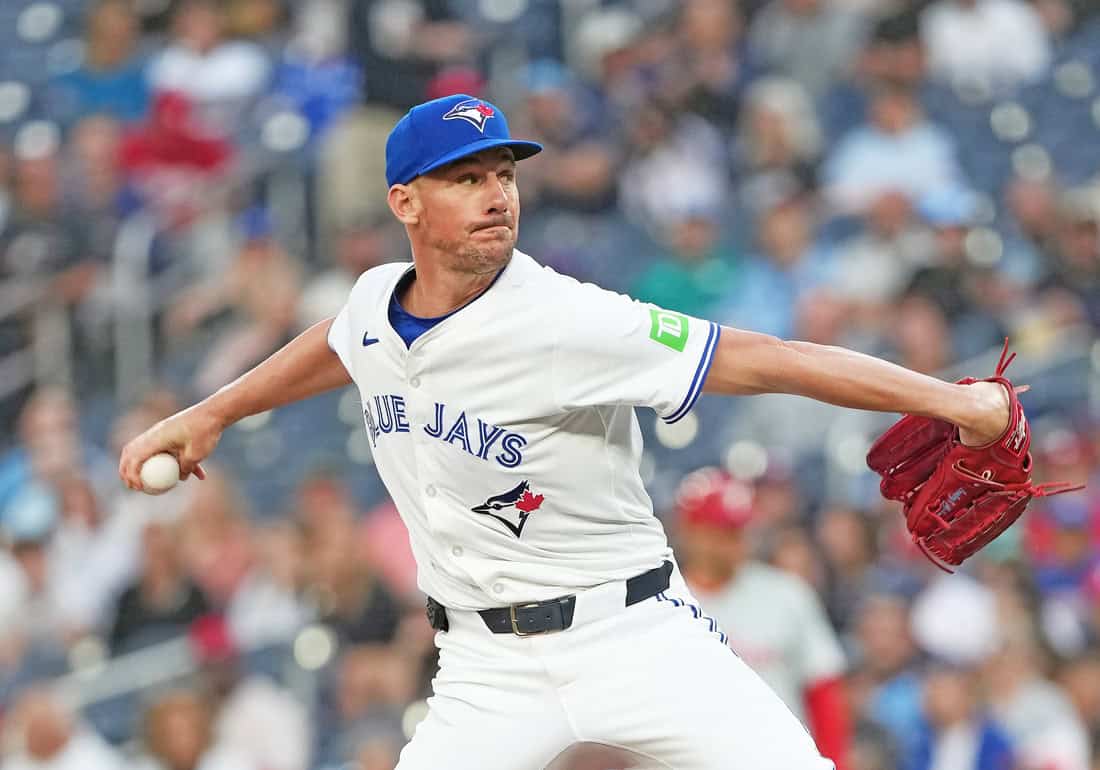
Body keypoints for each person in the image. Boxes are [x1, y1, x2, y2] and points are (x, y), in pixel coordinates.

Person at [120, 93, 1016, 769]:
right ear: (404, 203)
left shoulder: (567, 320)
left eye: (504, 175)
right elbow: (338, 343)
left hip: (633, 635)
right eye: (466, 178)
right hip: (483, 666)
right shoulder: (371, 304)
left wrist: (952, 401)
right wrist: (212, 412)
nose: (496, 195)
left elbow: (767, 358)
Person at [672, 468, 851, 768]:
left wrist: (836, 763)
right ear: (690, 531)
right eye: (722, 531)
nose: (735, 542)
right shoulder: (665, 602)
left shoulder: (786, 593)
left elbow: (823, 689)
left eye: (740, 530)